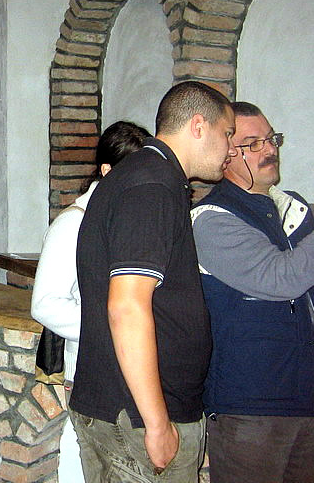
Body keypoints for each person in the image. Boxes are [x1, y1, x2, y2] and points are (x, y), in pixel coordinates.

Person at [191, 101, 314, 483]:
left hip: (303, 400)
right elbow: (281, 278)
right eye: (254, 143)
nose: (270, 149)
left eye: (272, 139)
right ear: (226, 152)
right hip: (247, 409)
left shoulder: (293, 208)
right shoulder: (211, 219)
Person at [69, 81, 237, 483]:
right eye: (228, 133)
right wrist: (157, 423)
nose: (231, 148)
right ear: (199, 126)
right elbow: (126, 307)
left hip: (127, 411)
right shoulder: (152, 185)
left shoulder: (144, 176)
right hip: (137, 420)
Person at [31, 120, 151, 386]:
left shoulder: (134, 219)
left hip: (135, 364)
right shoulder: (73, 223)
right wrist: (117, 325)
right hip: (93, 369)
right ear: (107, 170)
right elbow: (45, 304)